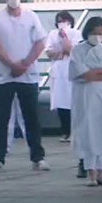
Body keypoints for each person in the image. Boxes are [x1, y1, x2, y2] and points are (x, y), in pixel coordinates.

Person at [0, 0, 49, 173]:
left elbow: (40, 42)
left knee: (31, 117)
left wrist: (25, 64)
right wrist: (12, 65)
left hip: (27, 76)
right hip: (3, 76)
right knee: (1, 119)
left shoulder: (31, 17)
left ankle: (37, 157)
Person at [69, 17, 102, 187]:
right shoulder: (78, 50)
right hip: (86, 98)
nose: (97, 36)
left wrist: (95, 73)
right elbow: (81, 73)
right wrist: (100, 71)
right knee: (89, 133)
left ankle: (101, 171)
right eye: (94, 33)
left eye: (100, 33)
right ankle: (90, 172)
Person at [45, 11, 77, 144]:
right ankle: (65, 130)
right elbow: (49, 52)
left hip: (70, 71)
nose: (62, 23)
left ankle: (73, 131)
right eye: (59, 21)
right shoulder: (52, 34)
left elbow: (71, 50)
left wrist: (64, 37)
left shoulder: (76, 33)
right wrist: (60, 52)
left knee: (71, 101)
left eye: (64, 20)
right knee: (60, 102)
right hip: (58, 72)